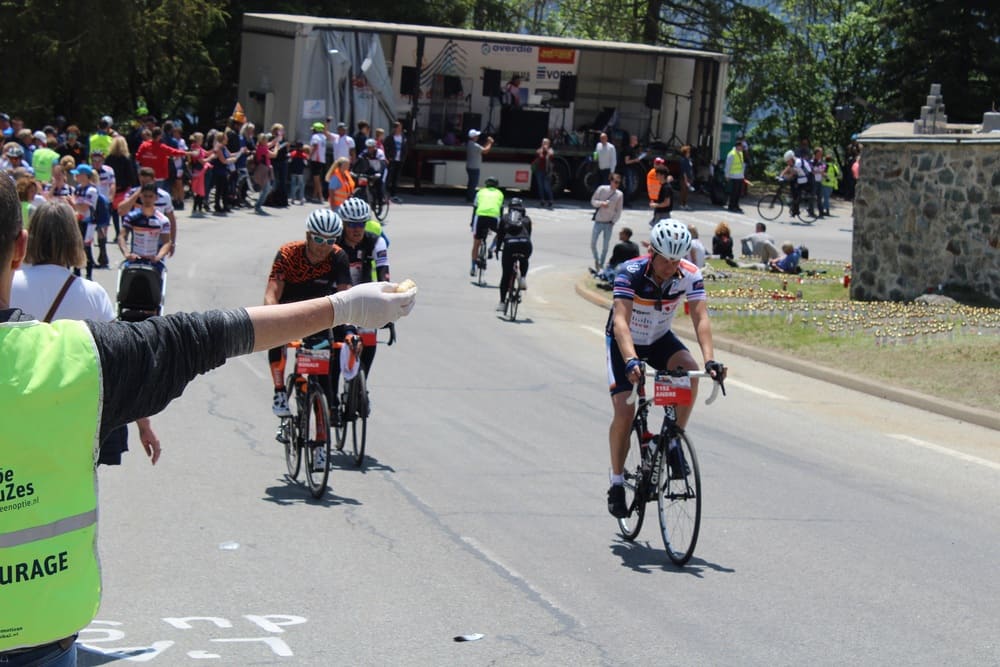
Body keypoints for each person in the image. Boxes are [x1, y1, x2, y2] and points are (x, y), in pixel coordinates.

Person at [0, 174, 415, 665]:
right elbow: (210, 334)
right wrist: (345, 307)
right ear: (18, 248)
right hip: (38, 638)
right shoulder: (78, 355)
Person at [10, 200, 160, 469]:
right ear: (73, 239)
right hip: (72, 418)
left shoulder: (9, 285)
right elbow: (121, 361)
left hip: (17, 412)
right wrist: (143, 424)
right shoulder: (92, 295)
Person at [604, 220, 725, 518]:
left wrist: (710, 360)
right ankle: (617, 482)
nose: (671, 267)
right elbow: (621, 322)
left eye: (677, 260)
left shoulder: (690, 273)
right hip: (625, 342)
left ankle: (672, 441)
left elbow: (700, 317)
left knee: (690, 371)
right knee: (624, 413)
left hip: (658, 339)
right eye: (666, 260)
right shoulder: (630, 272)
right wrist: (631, 359)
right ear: (652, 252)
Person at [265, 209, 351, 436]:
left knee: (322, 377)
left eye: (330, 241)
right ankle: (279, 391)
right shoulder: (287, 254)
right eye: (318, 239)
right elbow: (272, 293)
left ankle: (322, 435)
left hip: (317, 316)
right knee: (275, 332)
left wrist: (349, 330)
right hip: (288, 310)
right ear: (308, 235)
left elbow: (346, 297)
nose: (324, 246)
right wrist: (271, 316)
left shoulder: (338, 257)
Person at [118, 183, 172, 278]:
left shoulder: (163, 220)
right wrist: (126, 253)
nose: (147, 199)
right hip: (135, 259)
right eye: (145, 196)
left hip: (153, 261)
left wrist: (158, 257)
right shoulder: (131, 217)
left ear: (156, 198)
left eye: (150, 196)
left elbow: (167, 242)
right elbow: (122, 236)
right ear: (141, 197)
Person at [494, 201, 533, 311]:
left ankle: (502, 303)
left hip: (510, 245)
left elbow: (500, 236)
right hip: (525, 244)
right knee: (524, 259)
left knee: (506, 275)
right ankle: (523, 278)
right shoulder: (527, 219)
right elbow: (529, 235)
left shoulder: (505, 218)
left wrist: (497, 249)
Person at [470, 175, 503, 276]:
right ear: (496, 185)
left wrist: (472, 223)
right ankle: (492, 248)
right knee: (501, 233)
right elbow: (501, 211)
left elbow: (475, 208)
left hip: (480, 217)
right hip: (494, 218)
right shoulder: (500, 193)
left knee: (476, 243)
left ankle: (473, 267)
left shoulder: (480, 192)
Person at [590, 172, 624, 271]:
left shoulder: (619, 194)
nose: (616, 184)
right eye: (615, 182)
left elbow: (619, 210)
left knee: (605, 246)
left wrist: (613, 221)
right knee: (593, 243)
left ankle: (601, 264)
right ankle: (596, 260)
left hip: (609, 223)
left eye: (618, 183)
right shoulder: (602, 189)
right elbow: (593, 201)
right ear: (611, 181)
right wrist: (601, 203)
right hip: (598, 221)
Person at [780, 149, 812, 218]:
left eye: (788, 161)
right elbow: (788, 167)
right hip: (801, 177)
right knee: (793, 189)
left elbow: (792, 174)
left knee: (796, 192)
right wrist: (781, 175)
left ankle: (796, 207)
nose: (787, 163)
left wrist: (784, 178)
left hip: (807, 178)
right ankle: (795, 209)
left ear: (791, 159)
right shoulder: (794, 161)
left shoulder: (798, 163)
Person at [465, 129, 493, 203]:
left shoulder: (471, 144)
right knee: (473, 184)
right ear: (473, 137)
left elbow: (483, 149)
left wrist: (488, 142)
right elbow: (485, 151)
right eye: (476, 135)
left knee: (471, 183)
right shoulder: (474, 145)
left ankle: (469, 197)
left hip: (470, 166)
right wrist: (490, 142)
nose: (478, 136)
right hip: (474, 167)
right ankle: (471, 198)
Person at [384, 121, 407, 200]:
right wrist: (388, 157)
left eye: (400, 127)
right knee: (389, 177)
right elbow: (385, 148)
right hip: (392, 160)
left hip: (400, 160)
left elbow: (405, 148)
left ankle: (393, 194)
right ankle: (385, 193)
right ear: (395, 128)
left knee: (396, 178)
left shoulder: (403, 137)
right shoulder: (390, 137)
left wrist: (403, 157)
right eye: (398, 127)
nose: (400, 129)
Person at [724, 137, 747, 213]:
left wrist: (743, 175)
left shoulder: (740, 153)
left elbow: (741, 164)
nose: (742, 148)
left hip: (740, 175)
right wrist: (727, 175)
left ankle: (736, 205)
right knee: (734, 192)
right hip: (734, 175)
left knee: (738, 192)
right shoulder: (732, 154)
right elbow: (728, 165)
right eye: (741, 146)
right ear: (738, 146)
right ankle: (731, 206)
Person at [308, 121, 328, 202]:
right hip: (322, 159)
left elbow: (315, 146)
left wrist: (309, 156)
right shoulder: (323, 137)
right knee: (318, 178)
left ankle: (321, 196)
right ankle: (314, 195)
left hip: (316, 159)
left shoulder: (315, 137)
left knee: (316, 179)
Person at [532, 137, 554, 208]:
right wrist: (541, 151)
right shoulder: (539, 150)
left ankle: (550, 200)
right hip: (539, 171)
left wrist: (546, 150)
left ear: (549, 144)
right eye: (543, 142)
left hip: (547, 171)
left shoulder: (550, 150)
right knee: (540, 186)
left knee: (546, 187)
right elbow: (537, 155)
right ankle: (542, 200)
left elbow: (551, 156)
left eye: (546, 143)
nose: (544, 144)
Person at [288, 140, 308, 205]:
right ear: (302, 147)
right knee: (301, 185)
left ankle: (292, 199)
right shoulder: (304, 155)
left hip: (293, 171)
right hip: (300, 172)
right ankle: (301, 199)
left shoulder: (292, 153)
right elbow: (306, 164)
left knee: (293, 184)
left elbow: (289, 161)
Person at [811, 147, 827, 217]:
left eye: (821, 153)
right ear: (816, 153)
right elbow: (812, 171)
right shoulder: (812, 161)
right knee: (812, 197)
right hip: (813, 181)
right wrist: (819, 172)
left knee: (820, 197)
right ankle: (811, 211)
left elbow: (823, 171)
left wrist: (823, 174)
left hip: (820, 181)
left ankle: (821, 212)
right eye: (819, 153)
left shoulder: (822, 162)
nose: (820, 154)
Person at [678, 145, 695, 210]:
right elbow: (683, 171)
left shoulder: (688, 160)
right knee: (683, 191)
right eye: (688, 152)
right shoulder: (683, 160)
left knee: (686, 192)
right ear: (685, 153)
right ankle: (681, 204)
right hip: (684, 178)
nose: (689, 153)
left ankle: (685, 204)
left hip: (689, 177)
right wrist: (686, 180)